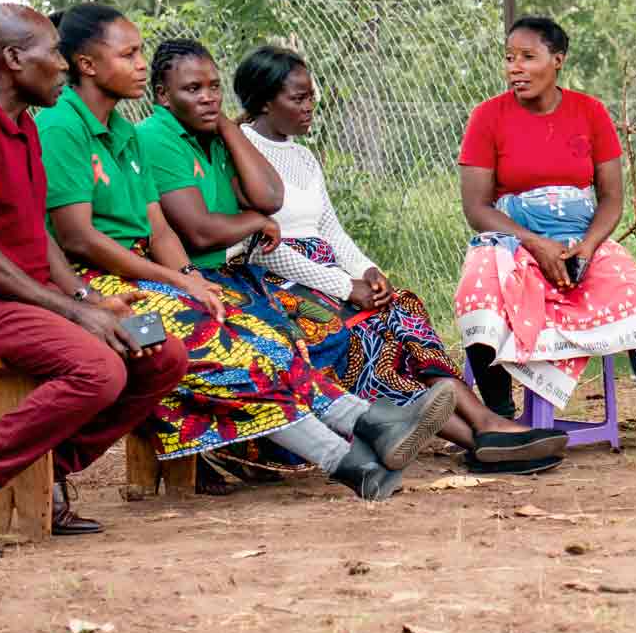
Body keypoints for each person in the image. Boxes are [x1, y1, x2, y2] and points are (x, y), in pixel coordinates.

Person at [37, 4, 445, 502]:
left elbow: (159, 227)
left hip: (142, 277)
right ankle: (345, 455)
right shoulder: (61, 127)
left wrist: (186, 276)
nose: (141, 63)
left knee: (261, 335)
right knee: (215, 350)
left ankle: (365, 427)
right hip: (93, 288)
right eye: (129, 53)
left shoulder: (122, 132)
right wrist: (179, 280)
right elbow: (78, 238)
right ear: (87, 64)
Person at [0, 5, 190, 558]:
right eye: (53, 53)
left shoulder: (24, 124)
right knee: (97, 368)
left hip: (15, 299)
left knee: (160, 355)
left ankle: (45, 470)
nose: (64, 65)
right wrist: (69, 312)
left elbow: (39, 238)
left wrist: (88, 298)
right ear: (14, 59)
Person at [232, 44, 569, 473]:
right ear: (263, 101)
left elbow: (330, 229)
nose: (310, 106)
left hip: (327, 271)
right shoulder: (241, 150)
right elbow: (263, 249)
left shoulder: (302, 154)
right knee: (367, 332)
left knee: (401, 307)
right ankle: (477, 441)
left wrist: (367, 271)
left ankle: (485, 424)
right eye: (297, 99)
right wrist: (342, 287)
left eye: (312, 95)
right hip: (278, 281)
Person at [454, 15, 636, 469]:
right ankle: (501, 429)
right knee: (479, 290)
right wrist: (534, 243)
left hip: (579, 242)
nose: (515, 68)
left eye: (528, 57)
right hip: (512, 240)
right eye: (510, 58)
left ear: (558, 60)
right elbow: (477, 208)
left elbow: (611, 199)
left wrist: (587, 248)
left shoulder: (589, 112)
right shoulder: (487, 117)